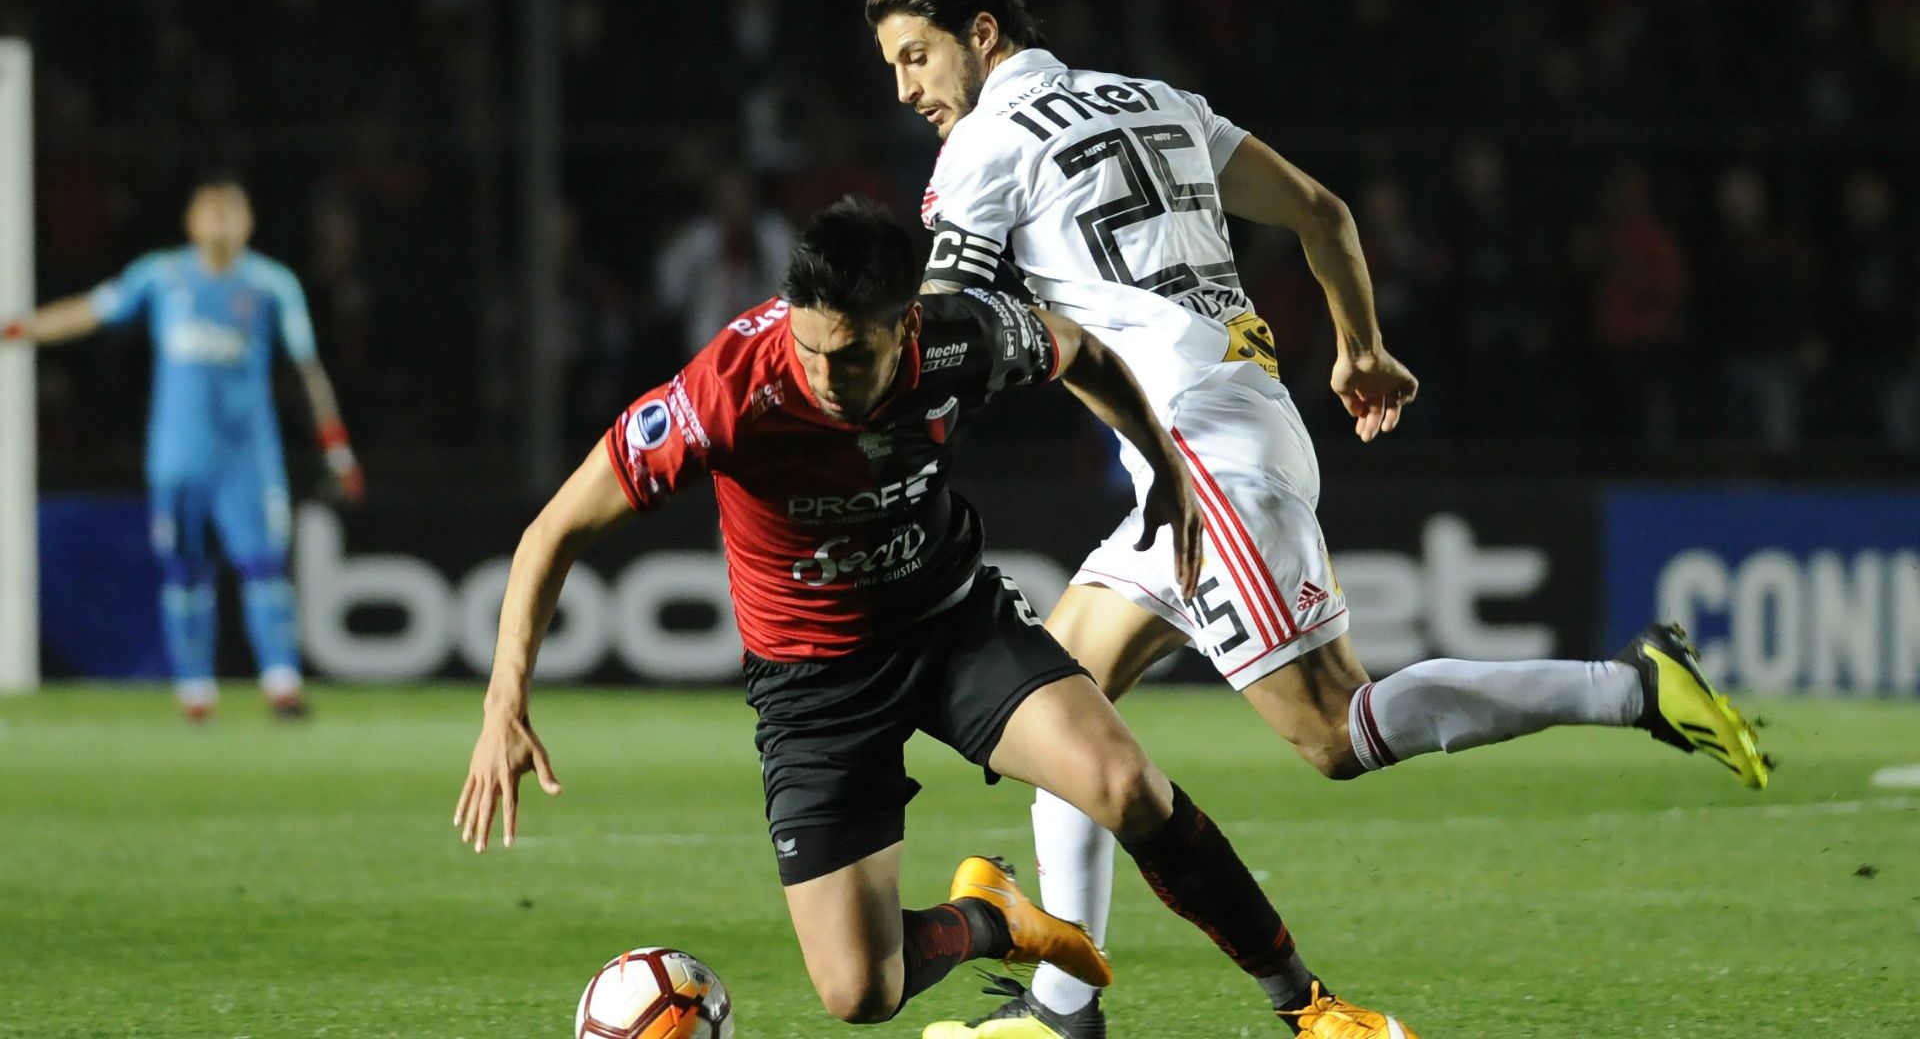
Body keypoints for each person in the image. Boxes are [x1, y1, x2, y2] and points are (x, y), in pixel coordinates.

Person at [862, 0, 1770, 1035]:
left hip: (1204, 459)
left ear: (982, 32)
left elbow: (939, 322)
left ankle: (1630, 687)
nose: (907, 88)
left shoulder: (981, 148)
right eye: (892, 67)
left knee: (1335, 732)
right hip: (1224, 429)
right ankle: (1066, 1010)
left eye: (917, 56)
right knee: (1065, 705)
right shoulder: (1160, 102)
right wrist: (1363, 348)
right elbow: (1322, 212)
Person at [452, 197, 1418, 1037]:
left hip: (953, 626)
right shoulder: (727, 394)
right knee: (858, 993)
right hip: (815, 687)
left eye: (855, 353)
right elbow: (553, 530)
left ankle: (1310, 1007)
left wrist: (1163, 463)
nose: (827, 375)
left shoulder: (962, 336)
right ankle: (993, 918)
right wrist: (504, 702)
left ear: (906, 325)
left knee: (1127, 785)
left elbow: (1079, 348)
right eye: (811, 346)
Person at [3, 175, 364, 720]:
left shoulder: (271, 284)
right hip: (178, 457)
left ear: (248, 222)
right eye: (210, 210)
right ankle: (195, 691)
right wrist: (20, 329)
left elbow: (306, 366)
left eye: (230, 210)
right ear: (191, 222)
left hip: (248, 457)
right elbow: (91, 311)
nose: (220, 220)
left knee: (264, 566)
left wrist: (335, 445)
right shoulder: (161, 276)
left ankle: (282, 685)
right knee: (183, 570)